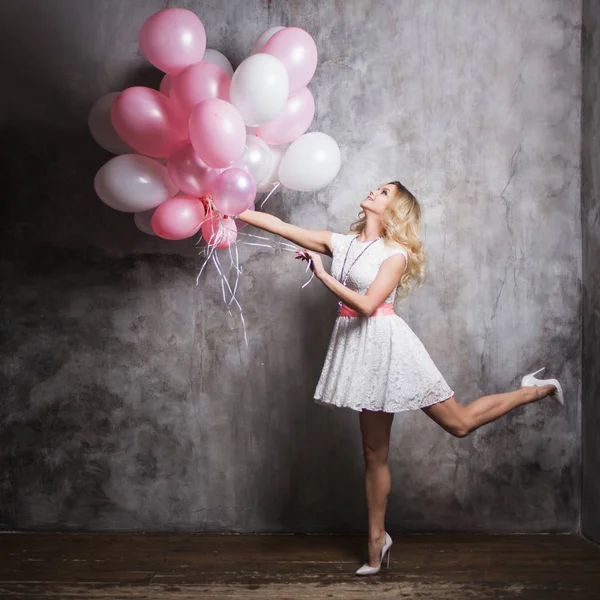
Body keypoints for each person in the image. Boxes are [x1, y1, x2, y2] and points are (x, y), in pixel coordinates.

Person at [236, 181, 564, 576]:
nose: (375, 191)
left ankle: (535, 390)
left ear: (396, 209)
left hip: (392, 348)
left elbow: (366, 305)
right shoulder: (343, 242)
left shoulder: (397, 254)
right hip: (361, 352)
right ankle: (376, 541)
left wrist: (321, 275)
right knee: (374, 453)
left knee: (459, 425)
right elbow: (280, 225)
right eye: (377, 188)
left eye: (385, 192)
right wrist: (227, 209)